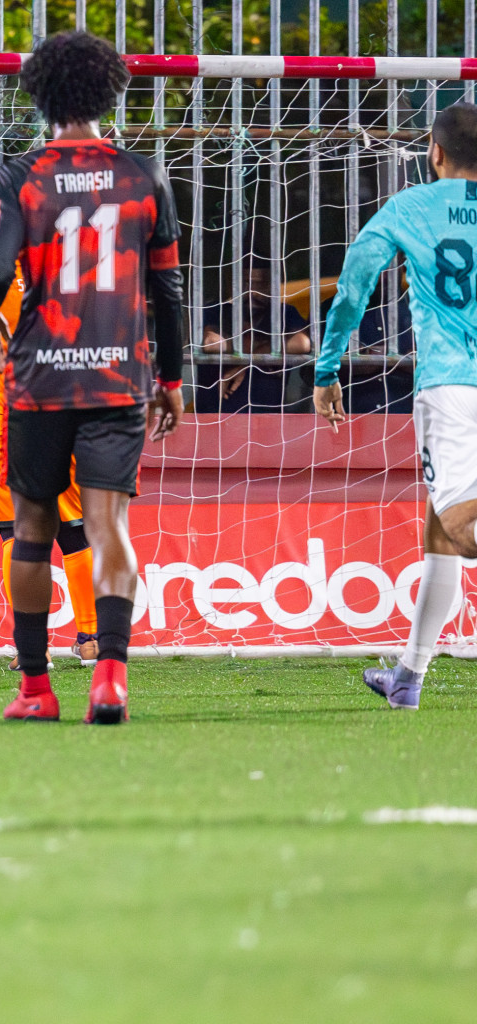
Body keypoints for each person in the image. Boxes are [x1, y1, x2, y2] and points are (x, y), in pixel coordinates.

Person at [0, 31, 186, 725]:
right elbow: (168, 290)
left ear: (39, 96)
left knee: (30, 526)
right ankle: (110, 677)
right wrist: (171, 379)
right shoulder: (144, 174)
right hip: (119, 375)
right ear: (109, 92)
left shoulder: (18, 175)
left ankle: (35, 689)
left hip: (40, 380)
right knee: (107, 523)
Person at [314, 100, 477, 710]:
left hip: (453, 386)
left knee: (460, 531)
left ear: (434, 152)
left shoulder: (410, 208)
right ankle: (408, 675)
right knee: (441, 528)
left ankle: (410, 672)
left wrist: (327, 370)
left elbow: (355, 284)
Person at [0, 265, 101, 668]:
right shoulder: (68, 276)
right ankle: (92, 640)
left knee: (17, 534)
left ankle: (34, 646)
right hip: (65, 414)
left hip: (7, 421)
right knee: (74, 530)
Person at [195, 260, 312, 413]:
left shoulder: (284, 313)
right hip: (214, 416)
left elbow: (302, 343)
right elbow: (212, 343)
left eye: (261, 284)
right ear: (232, 285)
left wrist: (243, 364)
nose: (252, 292)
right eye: (245, 283)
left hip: (267, 420)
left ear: (273, 286)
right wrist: (265, 350)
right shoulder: (215, 311)